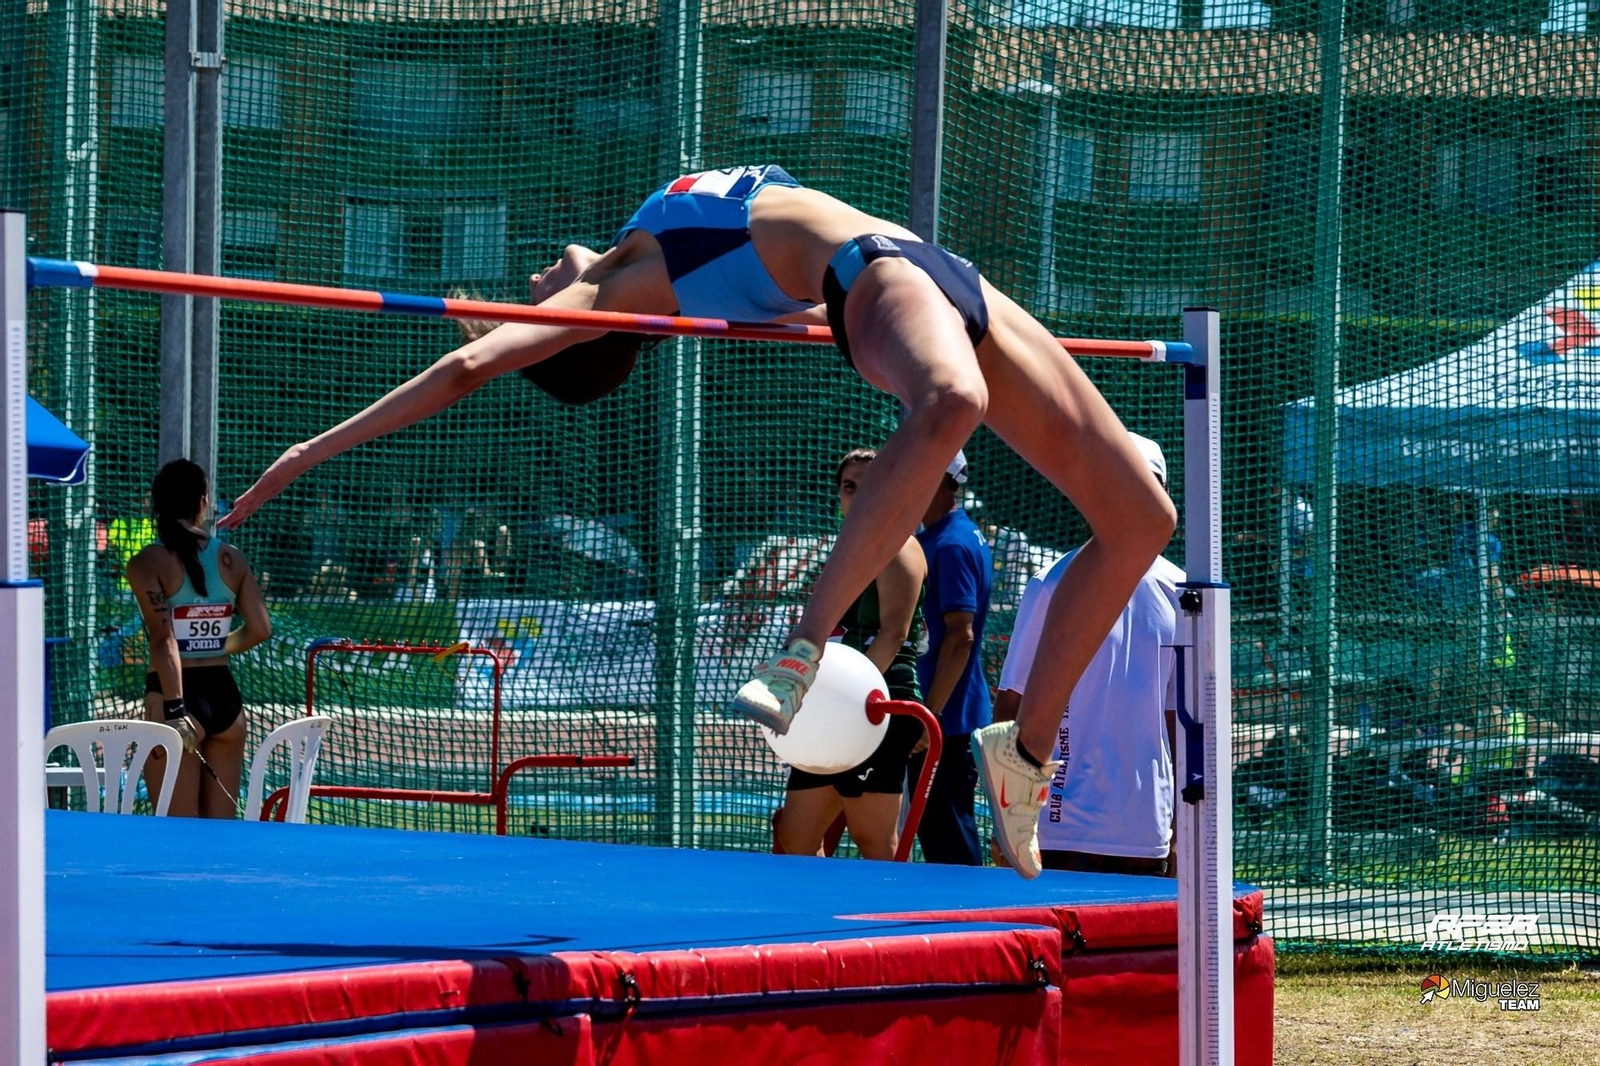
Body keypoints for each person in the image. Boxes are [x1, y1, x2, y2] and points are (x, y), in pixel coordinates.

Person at [219, 163, 1175, 877]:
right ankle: (801, 652)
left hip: (940, 274)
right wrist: (304, 455)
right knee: (951, 404)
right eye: (534, 300)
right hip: (879, 273)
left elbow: (788, 301)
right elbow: (467, 367)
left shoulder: (648, 247)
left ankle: (1024, 754)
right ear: (569, 327)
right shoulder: (606, 292)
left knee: (1142, 515)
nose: (540, 277)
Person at [993, 434, 1183, 875]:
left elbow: (1181, 722)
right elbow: (1011, 707)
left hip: (1143, 831)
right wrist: (1011, 819)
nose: (1132, 500)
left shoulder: (1182, 592)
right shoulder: (1052, 583)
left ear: (1163, 498)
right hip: (1056, 829)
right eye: (1122, 484)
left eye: (1146, 487)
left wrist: (1180, 829)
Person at [775, 448, 928, 862]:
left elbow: (894, 633)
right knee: (796, 835)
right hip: (837, 700)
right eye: (849, 487)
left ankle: (889, 907)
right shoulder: (846, 550)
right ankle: (818, 906)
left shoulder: (898, 545)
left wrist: (847, 698)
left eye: (870, 484)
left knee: (874, 841)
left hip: (877, 701)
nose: (858, 495)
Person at [127, 459, 272, 818]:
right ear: (202, 502)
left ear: (157, 504)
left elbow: (163, 640)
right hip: (225, 698)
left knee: (177, 834)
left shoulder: (148, 561)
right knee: (219, 835)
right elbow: (260, 629)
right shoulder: (231, 558)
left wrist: (176, 710)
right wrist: (217, 645)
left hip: (174, 699)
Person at [904, 450, 992, 865]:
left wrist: (930, 717)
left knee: (949, 839)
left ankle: (972, 907)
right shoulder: (951, 536)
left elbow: (961, 636)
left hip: (946, 721)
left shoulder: (951, 544)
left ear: (941, 479)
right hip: (948, 715)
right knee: (943, 833)